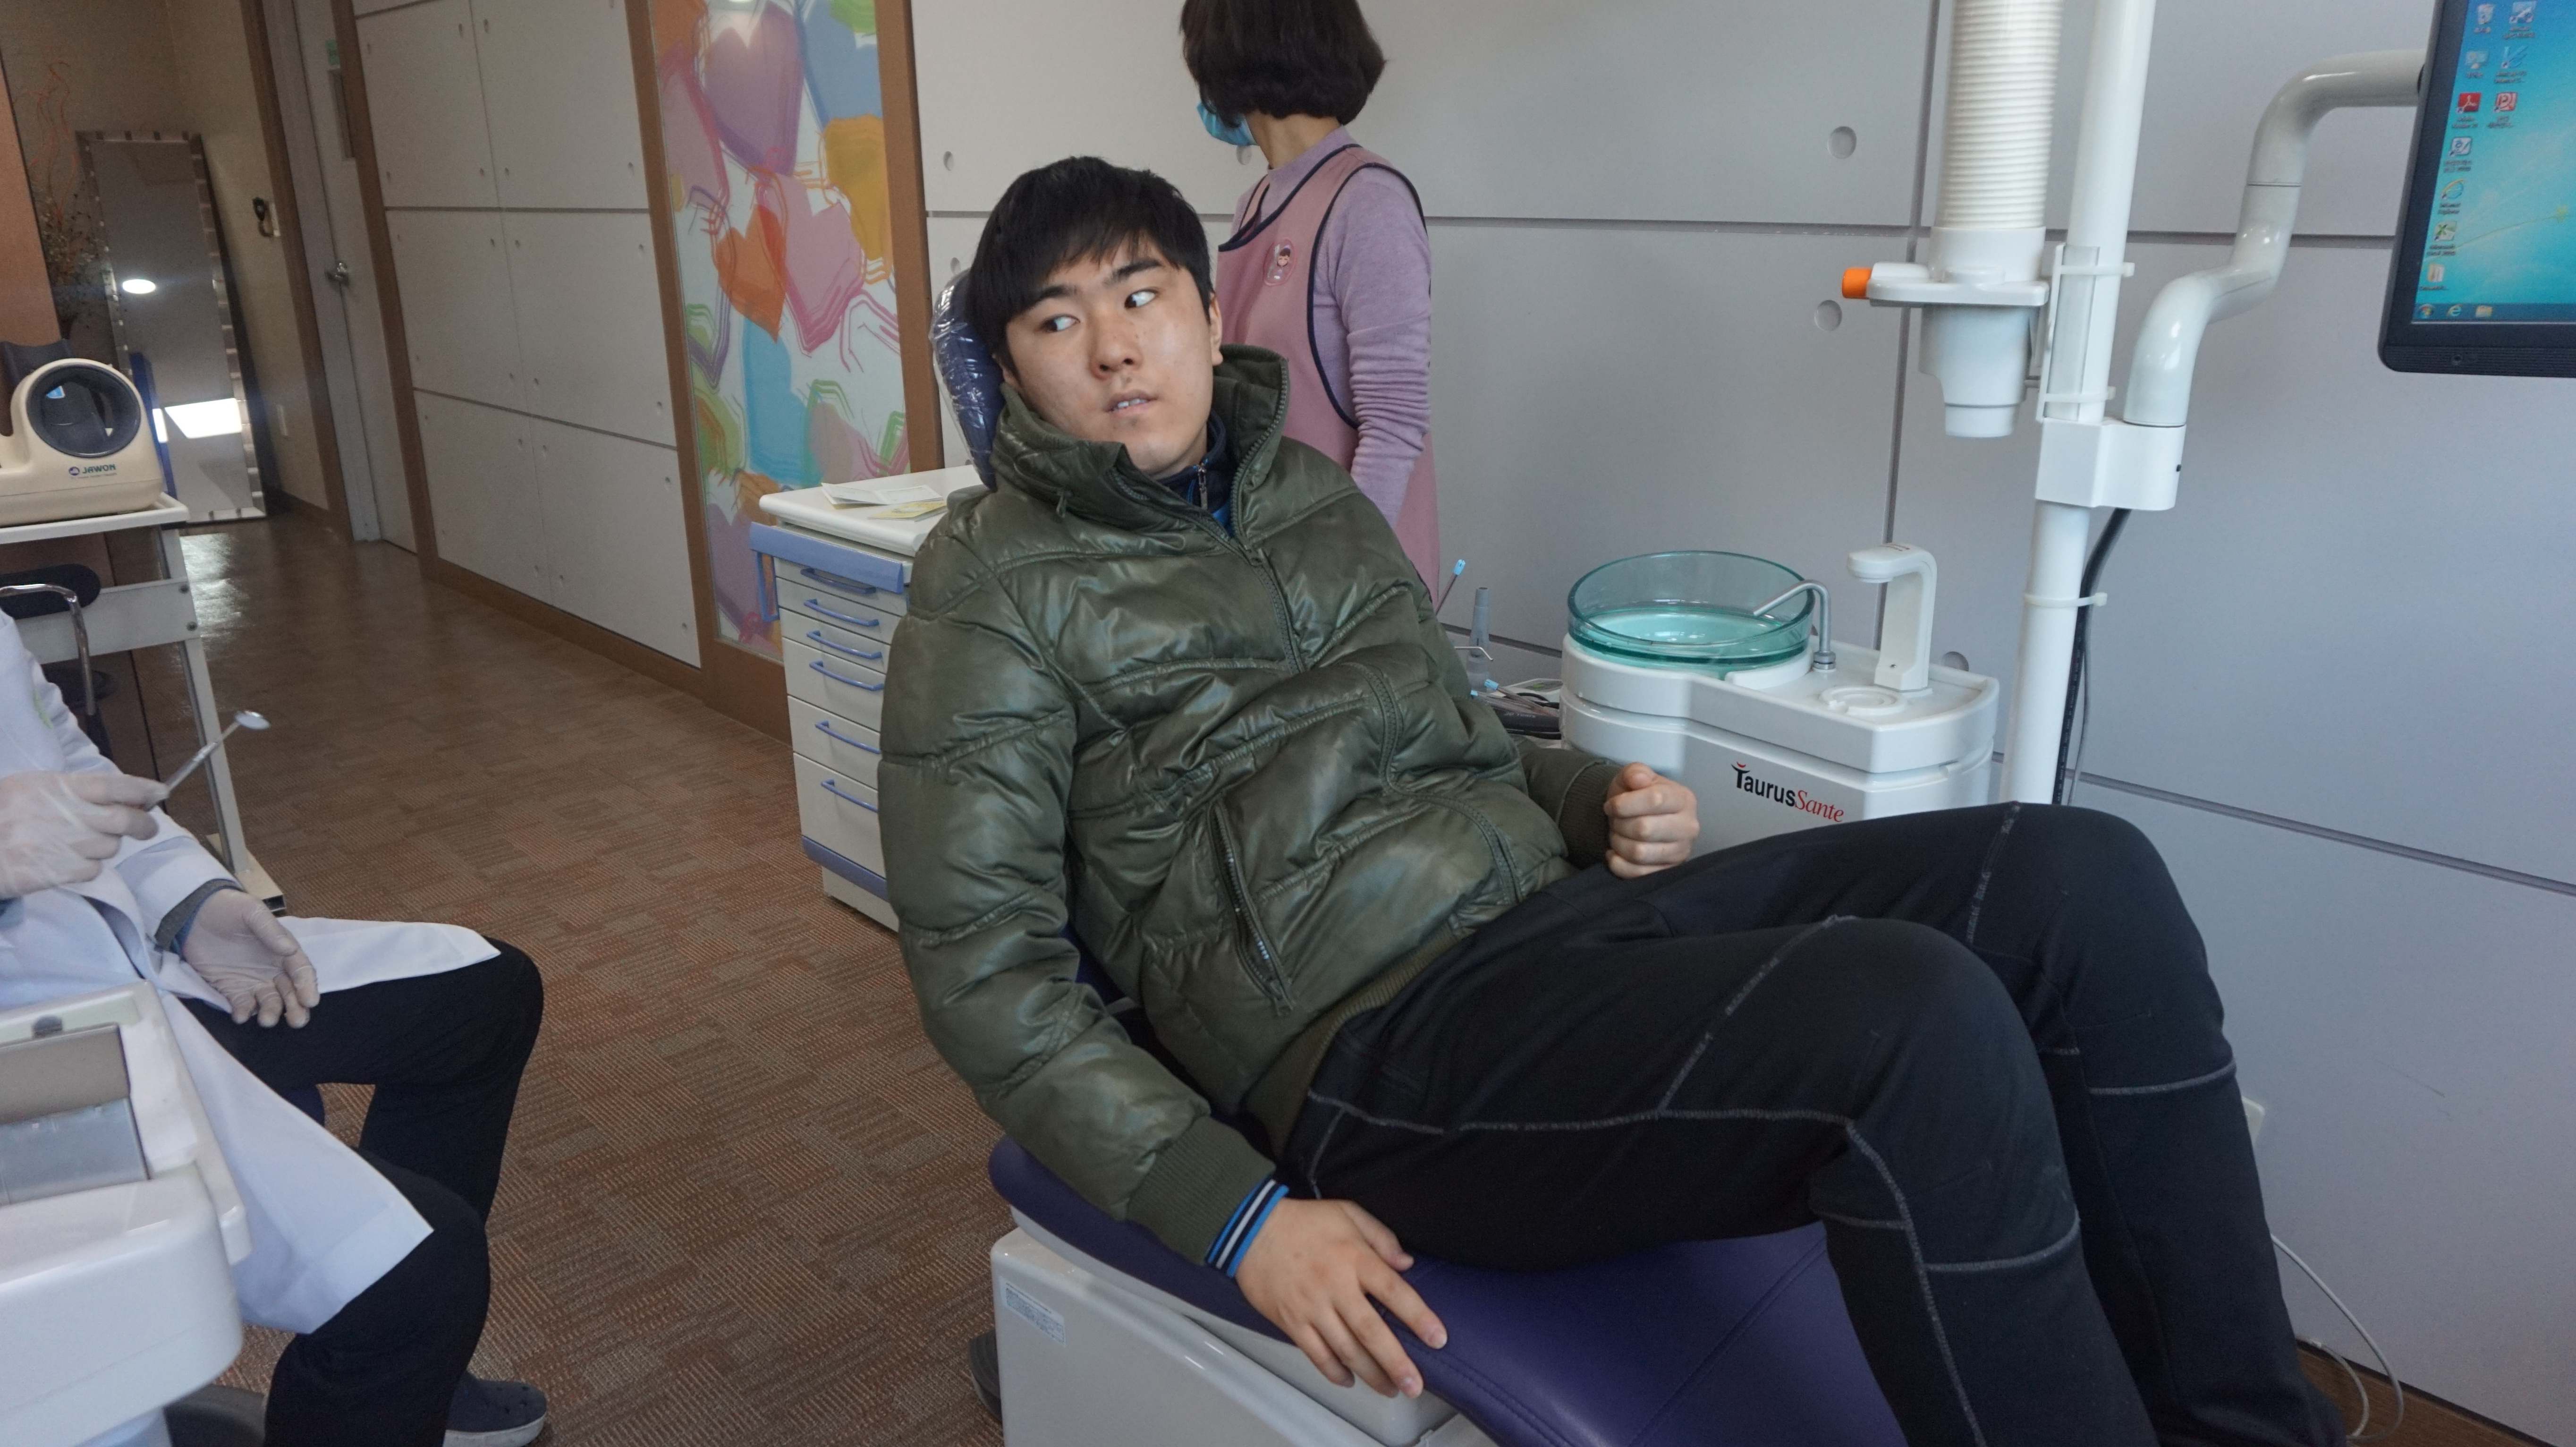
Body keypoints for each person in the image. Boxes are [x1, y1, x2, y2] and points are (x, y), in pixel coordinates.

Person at [888, 156, 2346, 1447]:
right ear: (1014, 373)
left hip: (1549, 927)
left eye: (1140, 295)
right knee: (1913, 1021)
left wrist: (1591, 798)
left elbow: (1453, 735)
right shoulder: (990, 586)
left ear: (1211, 320)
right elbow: (984, 972)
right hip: (1370, 1055)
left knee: (2084, 879)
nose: (1113, 347)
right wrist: (1241, 1215)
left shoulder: (1313, 501)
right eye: (1056, 322)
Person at [0, 613, 548, 1447]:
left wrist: (192, 903)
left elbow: (69, 767)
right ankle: (397, 1340)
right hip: (35, 1057)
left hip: (117, 957)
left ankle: (407, 1369)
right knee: (427, 1273)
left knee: (485, 997)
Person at [1182, 0, 1442, 583]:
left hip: (1350, 570)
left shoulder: (1367, 200)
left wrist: (1337, 573)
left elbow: (1394, 423)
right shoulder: (1257, 201)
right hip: (1276, 549)